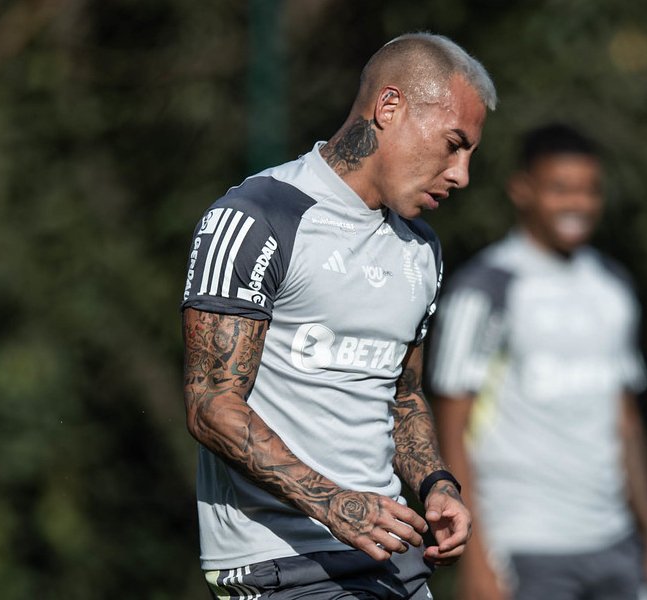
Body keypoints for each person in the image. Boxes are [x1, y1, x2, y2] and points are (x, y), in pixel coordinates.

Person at [179, 32, 496, 600]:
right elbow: (211, 405)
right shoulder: (256, 217)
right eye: (453, 144)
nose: (461, 174)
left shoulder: (421, 250)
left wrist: (436, 484)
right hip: (281, 567)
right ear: (389, 106)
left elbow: (402, 395)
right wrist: (335, 504)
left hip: (392, 563)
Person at [427, 123, 647, 600]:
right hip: (524, 547)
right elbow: (452, 428)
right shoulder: (486, 288)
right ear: (522, 190)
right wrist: (477, 558)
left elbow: (626, 425)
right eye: (560, 189)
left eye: (590, 190)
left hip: (614, 545)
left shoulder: (612, 285)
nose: (579, 204)